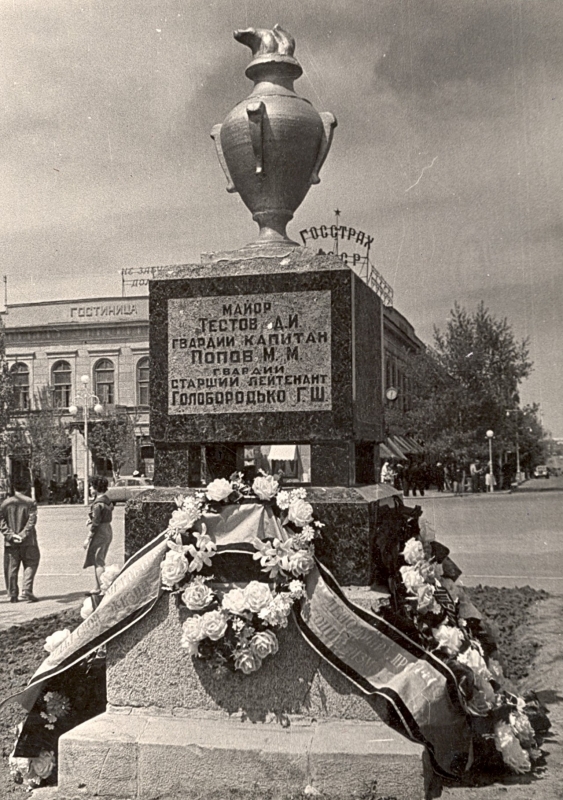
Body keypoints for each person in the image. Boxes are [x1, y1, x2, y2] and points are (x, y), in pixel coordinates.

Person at [0, 482, 40, 602]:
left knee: (11, 566)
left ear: (14, 488)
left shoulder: (5, 503)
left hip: (10, 542)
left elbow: (1, 521)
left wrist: (10, 535)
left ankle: (12, 593)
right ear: (26, 489)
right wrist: (23, 535)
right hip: (29, 540)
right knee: (32, 562)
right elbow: (32, 521)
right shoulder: (31, 502)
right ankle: (26, 589)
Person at [83, 476, 114, 594]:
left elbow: (96, 523)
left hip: (100, 532)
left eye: (91, 486)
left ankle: (102, 588)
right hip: (108, 529)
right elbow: (106, 512)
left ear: (96, 487)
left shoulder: (98, 504)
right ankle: (97, 587)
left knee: (98, 561)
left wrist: (88, 538)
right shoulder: (107, 500)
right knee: (99, 559)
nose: (90, 488)